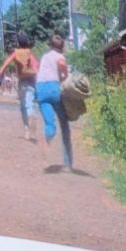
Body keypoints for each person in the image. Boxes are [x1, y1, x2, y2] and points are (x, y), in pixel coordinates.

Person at [35, 32, 74, 171]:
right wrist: (65, 76)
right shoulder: (60, 57)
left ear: (50, 45)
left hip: (40, 89)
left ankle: (48, 135)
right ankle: (67, 163)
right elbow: (62, 67)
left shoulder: (45, 57)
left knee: (49, 122)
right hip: (53, 88)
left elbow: (39, 70)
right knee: (64, 124)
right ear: (62, 47)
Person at [0, 30, 39, 142]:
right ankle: (31, 115)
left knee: (23, 106)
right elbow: (36, 67)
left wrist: (0, 75)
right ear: (27, 43)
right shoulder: (30, 54)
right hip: (31, 81)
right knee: (29, 104)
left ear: (18, 43)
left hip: (22, 82)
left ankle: (27, 129)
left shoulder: (15, 53)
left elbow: (5, 65)